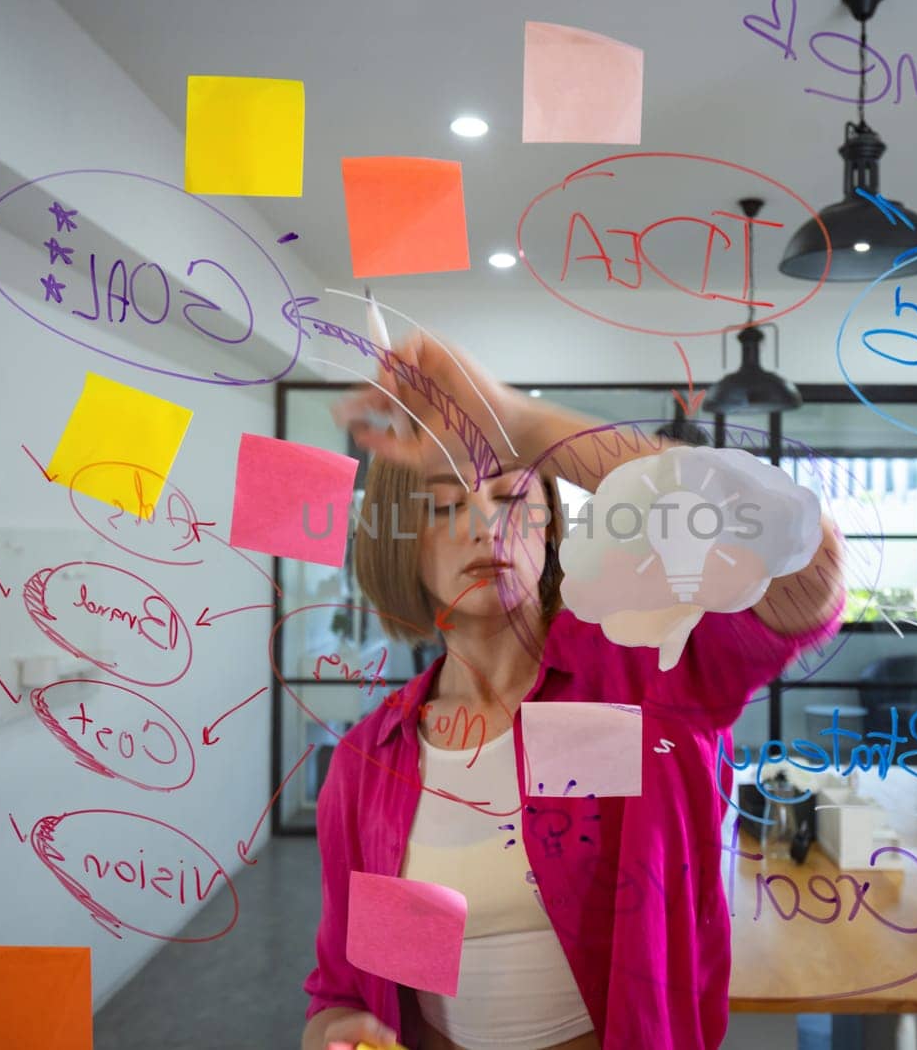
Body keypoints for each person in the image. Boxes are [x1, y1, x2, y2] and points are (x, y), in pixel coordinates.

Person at [302, 332, 846, 1050]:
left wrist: (521, 422)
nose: (483, 522)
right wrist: (338, 1031)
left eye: (508, 495)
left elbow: (803, 566)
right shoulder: (370, 762)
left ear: (551, 525)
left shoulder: (643, 669)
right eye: (442, 506)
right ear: (402, 546)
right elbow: (345, 989)